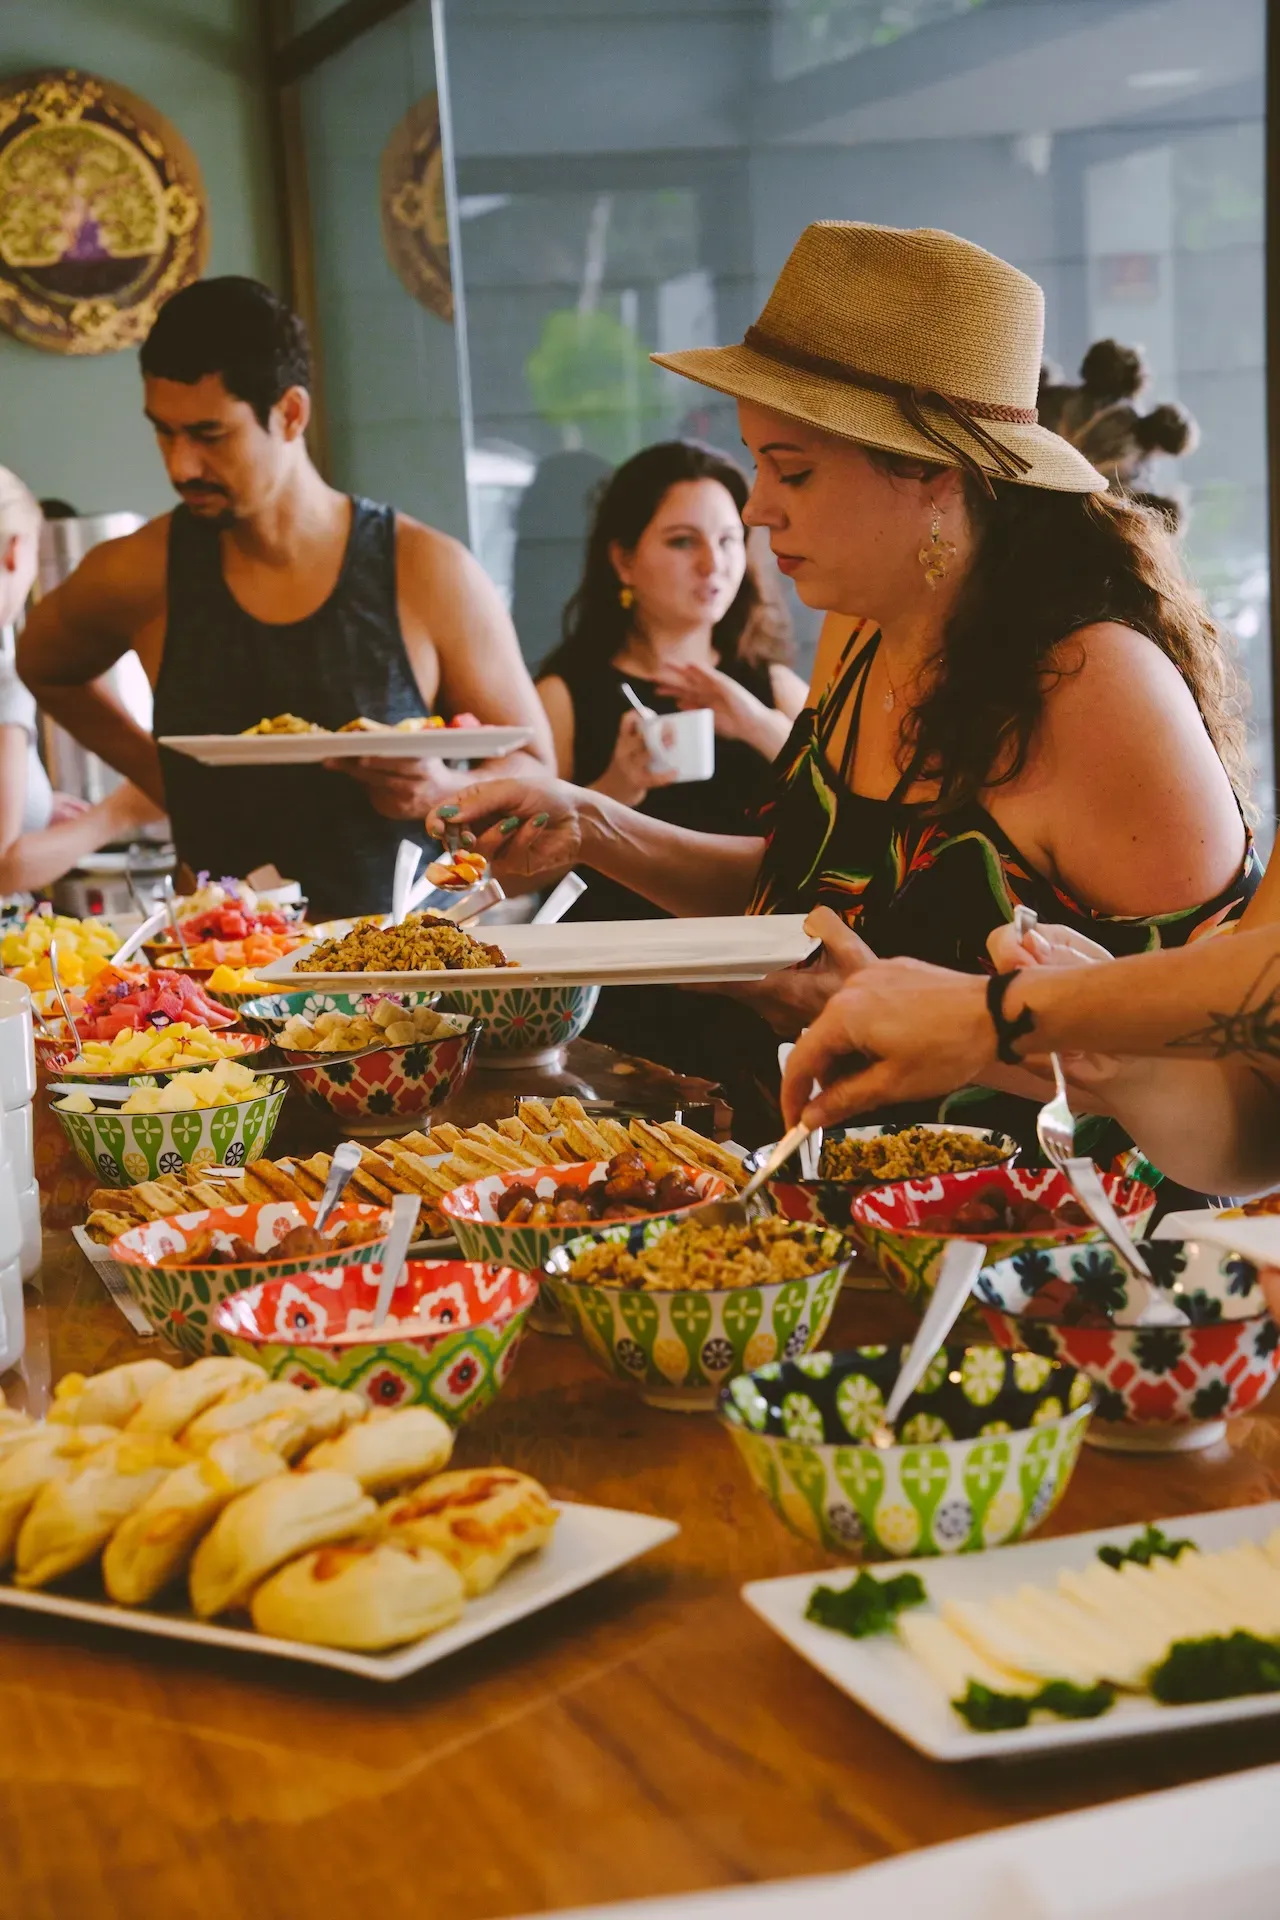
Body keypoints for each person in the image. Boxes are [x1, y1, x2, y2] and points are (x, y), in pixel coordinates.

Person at [428, 221, 1256, 1149]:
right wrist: (595, 826)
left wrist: (929, 1023)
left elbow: (1219, 1069)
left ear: (937, 477)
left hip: (1052, 1245)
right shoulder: (859, 629)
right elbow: (811, 889)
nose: (754, 507)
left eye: (794, 470)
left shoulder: (1093, 683)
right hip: (836, 1201)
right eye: (755, 461)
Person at [17, 277, 553, 918]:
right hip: (215, 980)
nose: (180, 465)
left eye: (210, 435)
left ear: (290, 414)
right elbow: (43, 665)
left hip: (408, 975)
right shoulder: (141, 570)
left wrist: (442, 789)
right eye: (164, 432)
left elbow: (537, 768)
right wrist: (165, 775)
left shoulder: (426, 570)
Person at [534, 438, 806, 1083]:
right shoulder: (566, 692)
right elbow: (512, 869)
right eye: (683, 542)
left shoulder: (771, 688)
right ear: (624, 561)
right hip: (616, 996)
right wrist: (611, 790)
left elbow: (848, 823)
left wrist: (758, 725)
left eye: (731, 539)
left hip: (758, 991)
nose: (713, 562)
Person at [0, 472, 160, 896]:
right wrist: (119, 812)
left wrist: (32, 803)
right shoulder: (4, 681)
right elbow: (1, 870)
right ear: (17, 551)